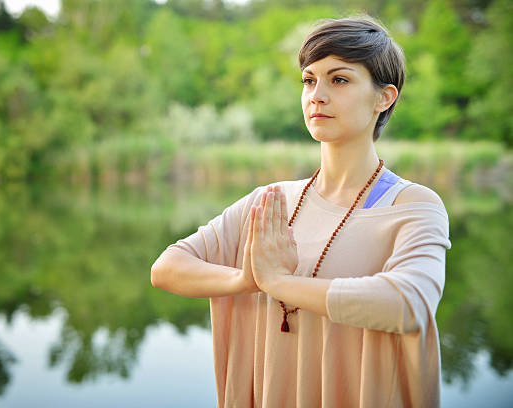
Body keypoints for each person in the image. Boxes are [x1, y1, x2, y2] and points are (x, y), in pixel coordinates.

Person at [151, 15, 452, 408]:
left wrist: (278, 282)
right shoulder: (272, 202)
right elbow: (167, 268)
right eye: (309, 80)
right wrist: (247, 279)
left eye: (339, 79)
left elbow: (409, 305)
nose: (317, 95)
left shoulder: (414, 206)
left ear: (384, 97)